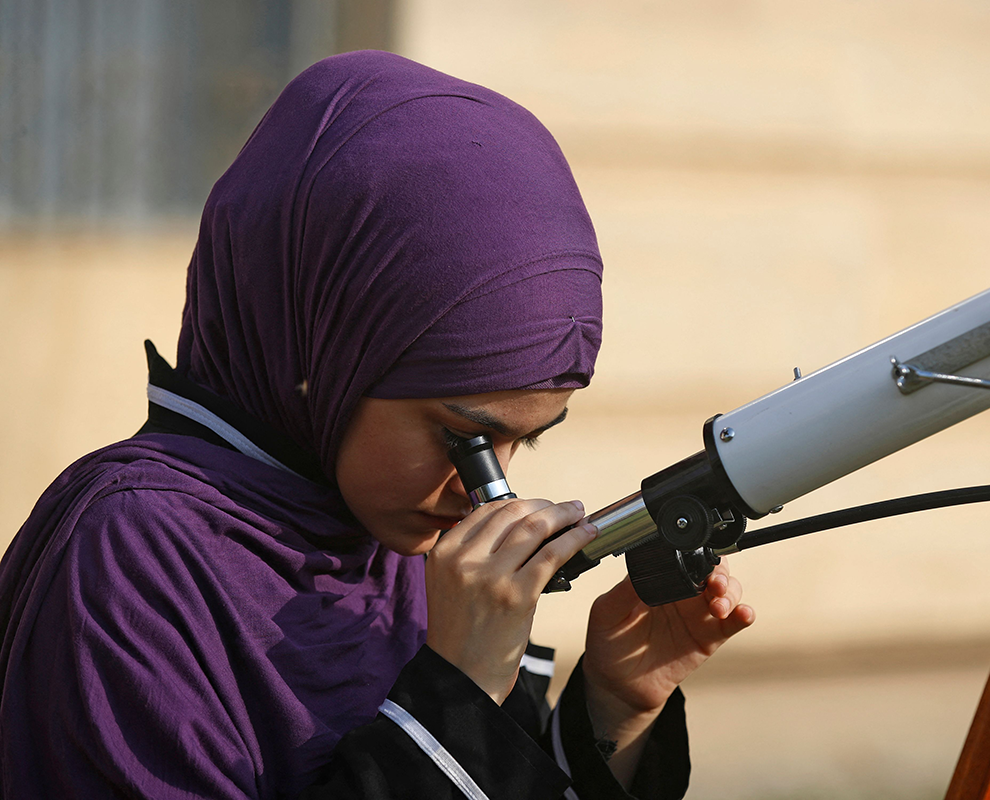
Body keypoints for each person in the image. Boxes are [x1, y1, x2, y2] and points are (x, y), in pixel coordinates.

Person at [0, 51, 753, 799]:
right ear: (323, 344)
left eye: (525, 440)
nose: (485, 492)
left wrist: (614, 709)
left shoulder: (396, 548)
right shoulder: (131, 554)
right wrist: (453, 690)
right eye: (462, 438)